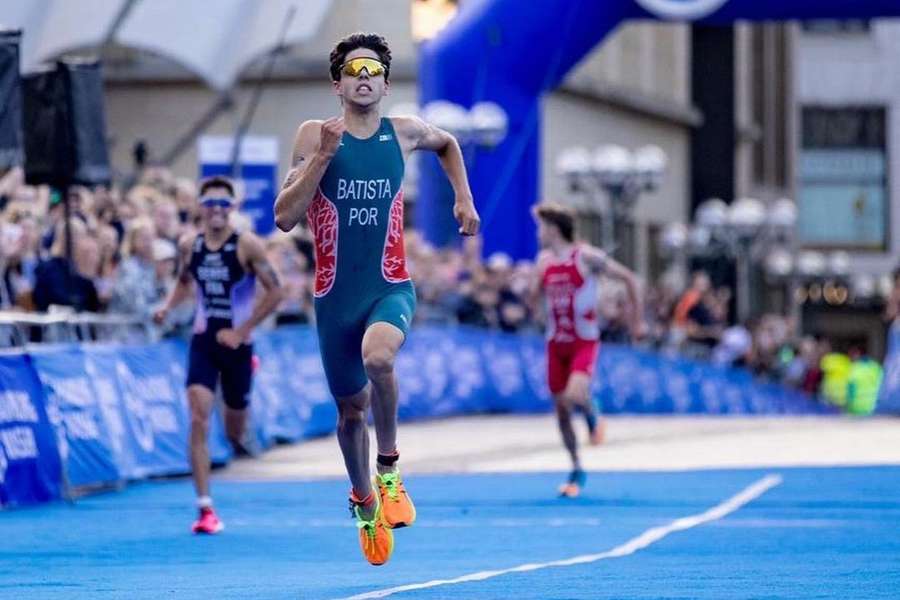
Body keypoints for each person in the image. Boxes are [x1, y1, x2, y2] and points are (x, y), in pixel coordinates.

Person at [273, 32, 480, 566]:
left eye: (373, 71)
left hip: (389, 284)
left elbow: (449, 145)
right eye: (353, 70)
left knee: (380, 357)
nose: (363, 78)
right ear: (337, 82)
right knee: (349, 413)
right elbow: (284, 216)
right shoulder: (314, 133)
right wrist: (321, 157)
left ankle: (389, 470)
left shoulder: (404, 131)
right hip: (334, 298)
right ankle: (364, 503)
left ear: (386, 85)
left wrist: (463, 199)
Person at [154, 176, 282, 535]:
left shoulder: (248, 245)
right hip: (204, 340)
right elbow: (184, 281)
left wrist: (243, 331)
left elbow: (277, 292)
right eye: (209, 203)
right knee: (198, 416)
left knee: (234, 432)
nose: (216, 210)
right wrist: (166, 307)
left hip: (238, 345)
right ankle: (205, 508)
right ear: (199, 207)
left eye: (223, 203)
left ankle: (244, 387)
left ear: (233, 208)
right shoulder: (188, 245)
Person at [532, 202, 644, 498]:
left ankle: (593, 413)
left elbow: (630, 279)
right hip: (556, 343)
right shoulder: (543, 262)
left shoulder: (586, 257)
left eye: (541, 227)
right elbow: (536, 298)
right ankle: (576, 467)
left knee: (574, 395)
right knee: (562, 412)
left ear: (554, 228)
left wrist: (636, 322)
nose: (538, 233)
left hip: (584, 341)